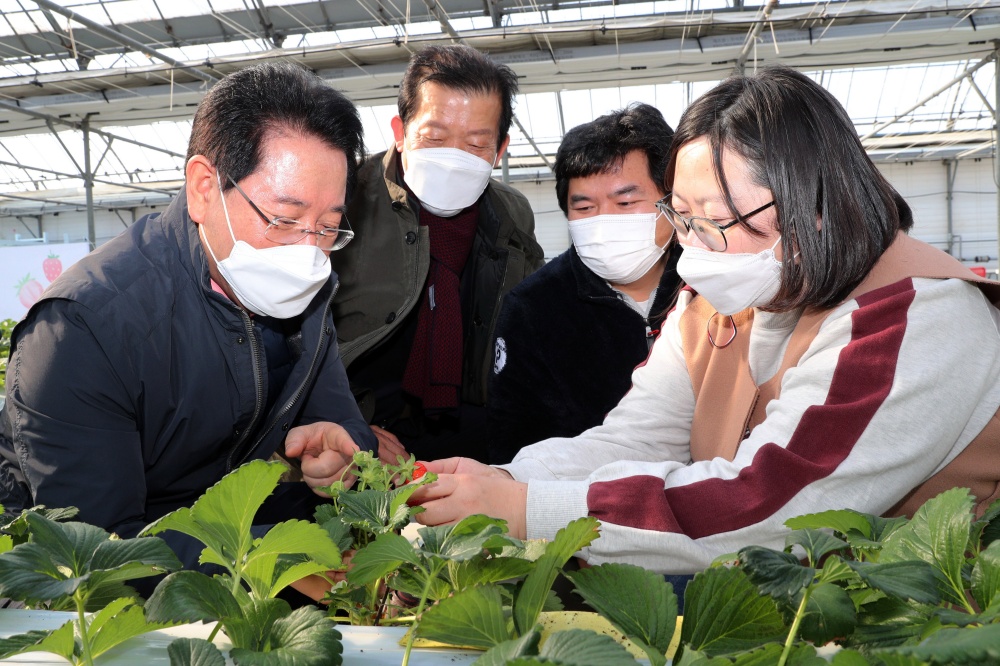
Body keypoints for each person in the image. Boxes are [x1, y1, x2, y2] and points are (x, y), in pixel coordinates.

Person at [410, 66, 1000, 576]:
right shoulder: (716, 303)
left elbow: (771, 506)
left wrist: (526, 510)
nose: (694, 248)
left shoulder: (912, 319)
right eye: (682, 216)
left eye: (718, 218)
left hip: (917, 622)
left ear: (816, 208)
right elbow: (635, 436)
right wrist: (502, 479)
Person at [0, 62, 376, 570]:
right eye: (284, 220)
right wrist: (277, 563)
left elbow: (340, 418)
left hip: (228, 541)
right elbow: (99, 548)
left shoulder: (304, 291)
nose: (308, 252)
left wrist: (341, 454)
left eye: (328, 227)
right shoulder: (84, 328)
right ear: (204, 187)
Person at [331, 45, 545, 464]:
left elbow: (527, 321)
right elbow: (291, 340)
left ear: (500, 149)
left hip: (469, 424)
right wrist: (341, 421)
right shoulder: (345, 200)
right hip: (361, 427)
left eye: (477, 144)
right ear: (400, 130)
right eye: (434, 138)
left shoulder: (510, 212)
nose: (453, 159)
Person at [487, 103, 683, 464]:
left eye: (625, 201)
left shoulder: (708, 287)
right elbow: (513, 443)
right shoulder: (534, 310)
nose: (605, 221)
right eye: (585, 208)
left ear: (672, 201)